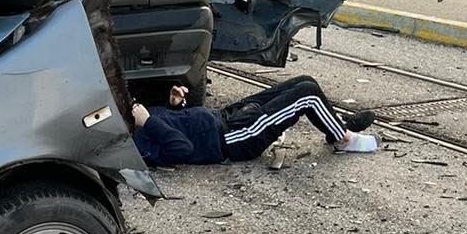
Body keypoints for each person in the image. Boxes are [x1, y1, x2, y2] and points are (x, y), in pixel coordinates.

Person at [131, 76, 377, 168]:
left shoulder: (139, 121)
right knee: (307, 94)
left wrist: (175, 105)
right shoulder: (138, 146)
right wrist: (149, 121)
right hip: (237, 138)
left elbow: (180, 126)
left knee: (302, 81)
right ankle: (343, 139)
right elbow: (181, 148)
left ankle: (333, 125)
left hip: (227, 117)